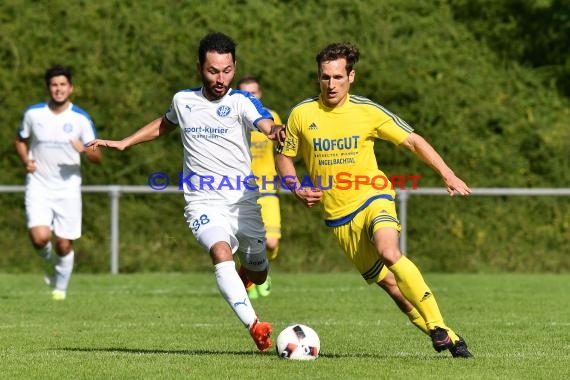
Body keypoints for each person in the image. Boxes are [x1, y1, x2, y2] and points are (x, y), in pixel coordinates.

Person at [87, 33, 284, 352]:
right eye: (213, 71)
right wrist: (125, 141)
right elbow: (165, 123)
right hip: (202, 200)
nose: (220, 79)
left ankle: (245, 276)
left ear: (234, 67)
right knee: (219, 251)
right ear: (199, 68)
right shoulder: (183, 101)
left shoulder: (240, 101)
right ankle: (254, 325)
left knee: (259, 273)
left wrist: (276, 131)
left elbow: (264, 123)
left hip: (242, 201)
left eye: (227, 70)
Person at [275, 42, 473, 358]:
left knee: (389, 250)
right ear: (318, 77)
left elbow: (413, 141)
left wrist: (447, 174)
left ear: (351, 77)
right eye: (325, 77)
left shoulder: (368, 111)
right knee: (394, 289)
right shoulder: (301, 114)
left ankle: (435, 324)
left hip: (373, 196)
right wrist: (295, 186)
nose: (331, 84)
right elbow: (284, 158)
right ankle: (451, 339)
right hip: (339, 219)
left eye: (338, 77)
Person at [15, 65, 102, 301]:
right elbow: (20, 140)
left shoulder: (80, 119)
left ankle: (60, 289)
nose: (58, 89)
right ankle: (48, 263)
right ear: (48, 88)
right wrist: (26, 160)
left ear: (70, 88)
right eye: (54, 85)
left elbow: (97, 157)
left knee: (64, 244)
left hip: (68, 189)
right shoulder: (34, 114)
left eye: (63, 84)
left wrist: (84, 149)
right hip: (38, 185)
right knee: (39, 238)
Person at [237, 75, 282, 299]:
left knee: (271, 242)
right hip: (240, 189)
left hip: (267, 188)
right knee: (243, 243)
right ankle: (249, 283)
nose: (250, 96)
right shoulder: (233, 116)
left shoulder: (271, 117)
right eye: (245, 92)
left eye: (253, 92)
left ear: (260, 94)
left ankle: (262, 270)